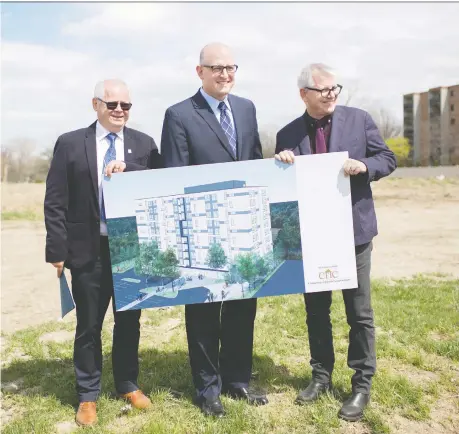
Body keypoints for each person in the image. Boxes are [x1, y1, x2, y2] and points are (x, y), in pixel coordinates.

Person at [274, 63, 396, 422]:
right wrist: (280, 163)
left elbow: (387, 158)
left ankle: (361, 384)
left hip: (353, 233)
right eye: (323, 89)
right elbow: (284, 187)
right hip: (311, 237)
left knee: (359, 314)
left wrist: (364, 166)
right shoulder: (287, 133)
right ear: (304, 94)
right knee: (316, 312)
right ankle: (321, 376)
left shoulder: (359, 120)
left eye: (334, 88)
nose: (331, 94)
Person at [44, 79, 162, 427]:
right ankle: (88, 395)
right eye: (112, 105)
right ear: (96, 104)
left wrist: (133, 170)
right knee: (89, 324)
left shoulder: (144, 144)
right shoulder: (69, 144)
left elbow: (159, 182)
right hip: (86, 249)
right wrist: (57, 248)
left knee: (129, 321)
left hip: (131, 248)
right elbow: (55, 200)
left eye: (126, 105)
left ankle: (127, 384)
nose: (120, 111)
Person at [160, 42, 268, 417]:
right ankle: (207, 389)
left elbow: (254, 161)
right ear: (200, 71)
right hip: (203, 230)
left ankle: (237, 380)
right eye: (217, 67)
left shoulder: (247, 108)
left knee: (242, 307)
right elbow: (175, 175)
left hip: (243, 227)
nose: (225, 74)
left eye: (231, 67)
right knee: (204, 310)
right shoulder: (179, 115)